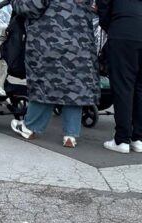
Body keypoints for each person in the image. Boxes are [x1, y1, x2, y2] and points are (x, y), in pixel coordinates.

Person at [10, 0, 99, 149]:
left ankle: (30, 127)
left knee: (45, 83)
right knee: (73, 86)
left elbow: (32, 7)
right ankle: (70, 135)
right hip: (80, 43)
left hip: (49, 39)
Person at [100, 0, 142, 153]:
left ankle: (122, 138)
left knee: (123, 86)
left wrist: (110, 25)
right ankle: (138, 138)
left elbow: (104, 4)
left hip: (124, 27)